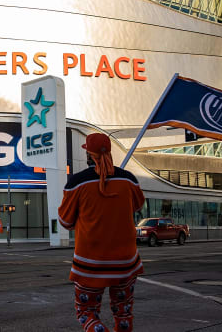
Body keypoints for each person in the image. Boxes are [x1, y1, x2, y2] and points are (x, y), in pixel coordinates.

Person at [58, 133, 145, 332]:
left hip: (90, 264)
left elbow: (65, 221)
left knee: (86, 312)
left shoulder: (76, 183)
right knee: (123, 312)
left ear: (88, 154)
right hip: (126, 262)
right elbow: (138, 205)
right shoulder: (129, 179)